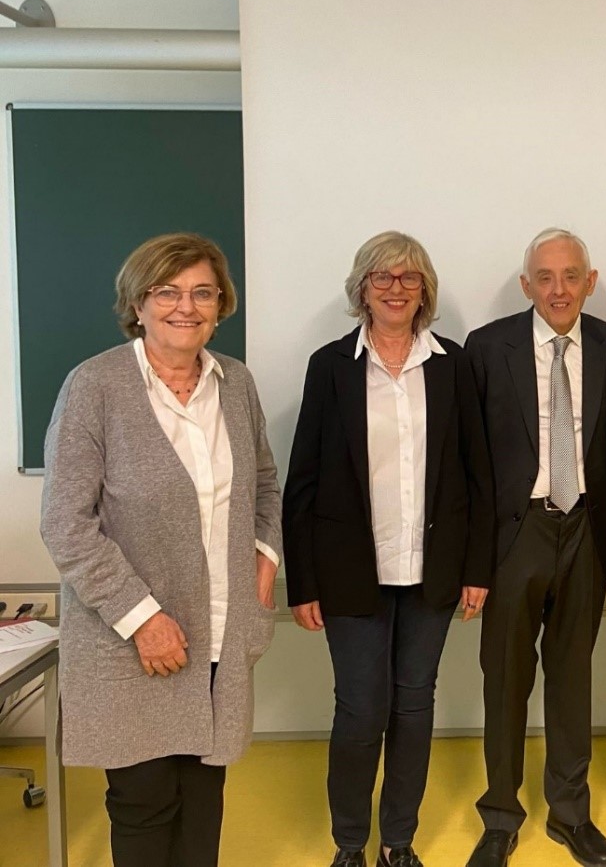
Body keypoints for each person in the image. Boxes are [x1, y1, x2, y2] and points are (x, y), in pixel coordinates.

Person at [40, 232, 281, 867]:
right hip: (128, 643)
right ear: (138, 304)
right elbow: (66, 523)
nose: (186, 307)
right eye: (167, 292)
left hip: (220, 634)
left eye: (203, 292)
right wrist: (142, 619)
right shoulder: (94, 386)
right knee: (145, 805)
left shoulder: (236, 384)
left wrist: (264, 562)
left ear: (221, 304)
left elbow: (265, 484)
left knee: (203, 804)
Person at [282, 231, 493, 867]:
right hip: (351, 573)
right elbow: (303, 478)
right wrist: (303, 581)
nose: (396, 288)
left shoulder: (453, 364)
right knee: (359, 709)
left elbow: (478, 476)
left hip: (434, 572)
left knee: (414, 705)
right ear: (363, 288)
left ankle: (398, 842)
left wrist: (477, 569)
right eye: (382, 276)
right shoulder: (330, 366)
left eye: (408, 277)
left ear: (424, 289)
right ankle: (350, 843)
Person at [464, 228, 606, 867]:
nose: (558, 289)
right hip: (516, 533)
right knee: (506, 678)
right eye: (545, 276)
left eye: (570, 276)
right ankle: (500, 817)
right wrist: (474, 559)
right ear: (525, 284)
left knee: (572, 675)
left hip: (586, 527)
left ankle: (570, 812)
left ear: (590, 281)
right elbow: (470, 460)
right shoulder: (488, 348)